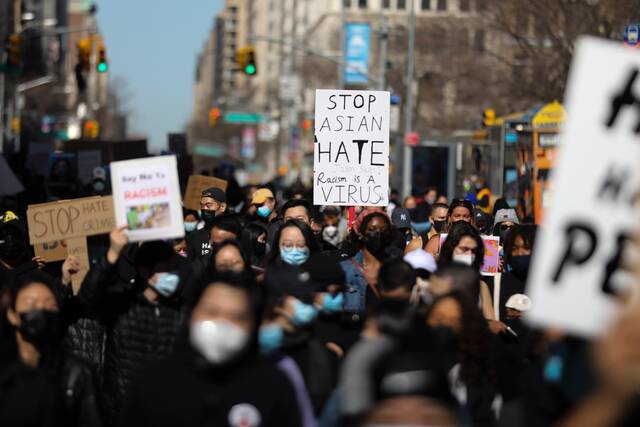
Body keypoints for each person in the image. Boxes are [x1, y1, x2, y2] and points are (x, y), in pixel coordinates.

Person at [121, 272, 302, 427]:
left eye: (236, 317)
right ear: (191, 316)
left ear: (253, 326)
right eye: (212, 312)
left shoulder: (272, 385)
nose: (221, 324)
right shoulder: (153, 381)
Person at [75, 226, 190, 425]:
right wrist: (112, 254)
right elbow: (87, 299)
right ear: (145, 270)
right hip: (125, 410)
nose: (173, 275)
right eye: (166, 268)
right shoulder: (122, 305)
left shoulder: (180, 310)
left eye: (174, 268)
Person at [0, 272, 102, 427]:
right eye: (32, 304)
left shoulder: (77, 373)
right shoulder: (5, 372)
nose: (41, 310)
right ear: (12, 314)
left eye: (50, 305)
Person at [262, 265, 339, 414]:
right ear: (278, 303)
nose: (309, 304)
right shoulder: (262, 349)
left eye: (311, 297)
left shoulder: (320, 346)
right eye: (303, 298)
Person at [426, 291, 499, 426]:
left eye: (455, 321)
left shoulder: (480, 367)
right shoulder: (415, 362)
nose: (445, 326)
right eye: (439, 318)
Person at [438, 222, 507, 334]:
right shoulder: (436, 282)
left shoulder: (481, 286)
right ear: (450, 249)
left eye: (473, 251)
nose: (469, 254)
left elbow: (491, 320)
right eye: (464, 249)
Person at [340, 211, 395, 316]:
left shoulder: (397, 269)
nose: (378, 233)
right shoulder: (345, 270)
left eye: (383, 229)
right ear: (361, 234)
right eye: (372, 229)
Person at [185, 187, 227, 260]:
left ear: (222, 207)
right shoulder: (194, 237)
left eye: (208, 205)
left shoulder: (234, 234)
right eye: (202, 205)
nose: (204, 209)